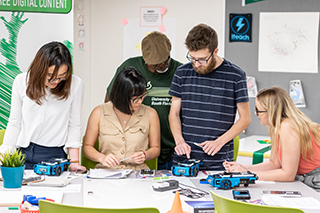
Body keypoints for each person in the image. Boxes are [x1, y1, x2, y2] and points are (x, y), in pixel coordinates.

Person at [169, 23, 251, 170]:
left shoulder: (236, 75)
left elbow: (245, 119)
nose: (196, 63)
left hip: (219, 162)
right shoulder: (181, 73)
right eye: (192, 58)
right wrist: (179, 141)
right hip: (185, 160)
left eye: (201, 59)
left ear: (215, 51)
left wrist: (219, 142)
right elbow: (174, 113)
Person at [0, 41, 86, 171]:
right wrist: (4, 157)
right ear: (40, 69)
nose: (55, 81)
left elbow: (74, 124)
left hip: (54, 156)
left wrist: (74, 161)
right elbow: (14, 123)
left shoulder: (75, 85)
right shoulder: (21, 82)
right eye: (50, 76)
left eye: (61, 77)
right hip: (23, 153)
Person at [105, 31, 182, 170]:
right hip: (135, 148)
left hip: (171, 149)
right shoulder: (130, 67)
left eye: (164, 61)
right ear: (145, 59)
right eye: (155, 65)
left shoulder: (180, 71)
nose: (161, 66)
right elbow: (110, 100)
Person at [223, 86, 320, 189]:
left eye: (258, 110)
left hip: (314, 180)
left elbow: (288, 175)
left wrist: (248, 174)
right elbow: (274, 164)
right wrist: (243, 168)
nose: (256, 113)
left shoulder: (288, 126)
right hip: (305, 178)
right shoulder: (278, 127)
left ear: (271, 111)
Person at [84, 67, 160, 170]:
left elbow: (156, 148)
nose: (140, 101)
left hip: (137, 174)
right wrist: (102, 158)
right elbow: (87, 147)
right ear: (122, 96)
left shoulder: (151, 114)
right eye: (135, 99)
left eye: (142, 96)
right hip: (107, 173)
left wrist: (145, 155)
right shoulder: (98, 112)